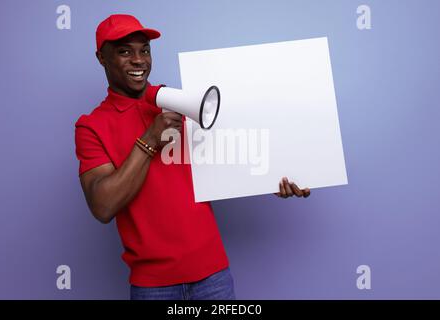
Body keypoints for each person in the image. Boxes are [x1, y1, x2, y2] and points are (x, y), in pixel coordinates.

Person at [74, 14, 311, 300]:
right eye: (125, 51)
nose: (139, 61)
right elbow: (102, 205)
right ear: (101, 57)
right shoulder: (91, 126)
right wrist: (149, 140)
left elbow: (230, 158)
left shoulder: (178, 103)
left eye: (145, 50)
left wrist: (275, 178)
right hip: (153, 287)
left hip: (214, 278)